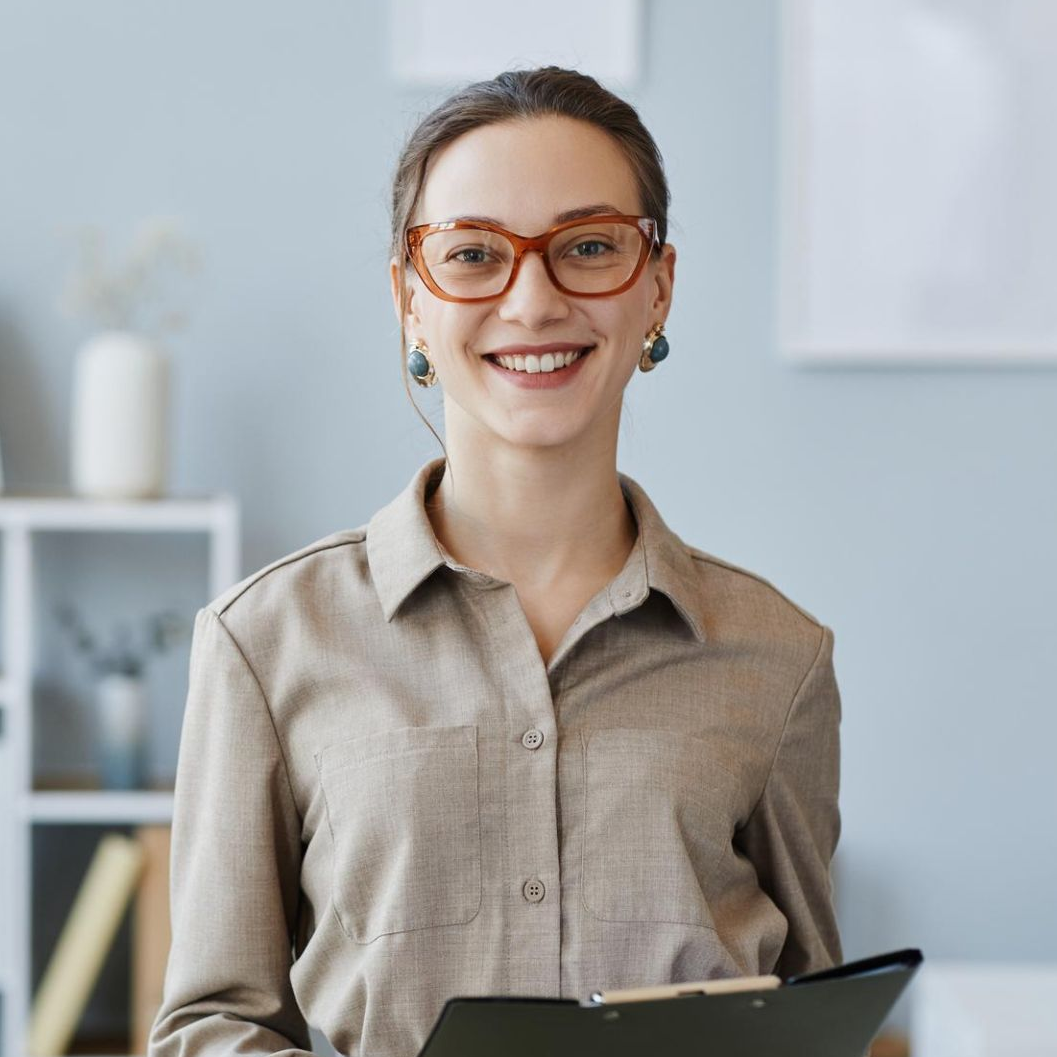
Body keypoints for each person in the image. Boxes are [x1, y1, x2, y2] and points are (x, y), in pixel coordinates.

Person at [149, 66, 842, 1057]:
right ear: (409, 299)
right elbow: (208, 1028)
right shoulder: (266, 640)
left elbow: (814, 1019)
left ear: (657, 287)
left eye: (589, 248)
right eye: (473, 253)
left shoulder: (778, 655)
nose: (531, 299)